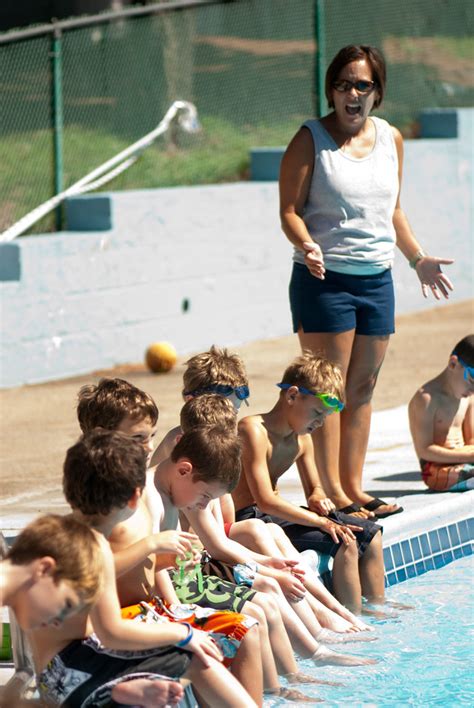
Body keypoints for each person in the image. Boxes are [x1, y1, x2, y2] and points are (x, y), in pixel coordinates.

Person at [279, 44, 454, 519]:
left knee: (361, 392)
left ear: (377, 92)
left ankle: (354, 489)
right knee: (327, 395)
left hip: (376, 280)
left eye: (362, 85)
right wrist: (308, 244)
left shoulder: (390, 139)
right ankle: (331, 493)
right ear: (331, 90)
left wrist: (416, 257)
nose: (352, 94)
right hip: (324, 281)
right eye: (343, 84)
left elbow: (392, 210)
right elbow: (289, 211)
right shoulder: (310, 139)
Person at [77, 379, 315, 700]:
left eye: (151, 436)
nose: (149, 447)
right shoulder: (109, 500)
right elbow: (93, 572)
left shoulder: (135, 490)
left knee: (245, 630)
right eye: (138, 438)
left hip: (152, 608)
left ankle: (270, 695)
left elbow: (146, 565)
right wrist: (173, 606)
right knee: (223, 642)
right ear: (100, 439)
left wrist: (168, 560)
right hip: (130, 617)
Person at [28, 429, 257, 708]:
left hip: (56, 672)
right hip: (73, 675)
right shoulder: (93, 546)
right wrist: (182, 633)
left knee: (190, 655)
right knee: (196, 658)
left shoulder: (57, 534)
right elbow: (112, 631)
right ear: (135, 498)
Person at [233, 351, 386, 614]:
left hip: (272, 516)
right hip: (249, 518)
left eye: (325, 416)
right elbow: (265, 499)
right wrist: (322, 522)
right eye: (317, 412)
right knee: (345, 542)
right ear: (292, 396)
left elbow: (313, 489)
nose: (320, 422)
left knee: (371, 534)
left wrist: (317, 497)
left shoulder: (302, 439)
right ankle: (353, 616)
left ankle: (379, 609)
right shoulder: (253, 430)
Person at [408, 334, 474, 491]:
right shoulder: (427, 399)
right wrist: (468, 456)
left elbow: (471, 439)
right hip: (436, 470)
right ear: (453, 364)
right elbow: (425, 450)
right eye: (473, 377)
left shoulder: (469, 397)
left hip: (465, 461)